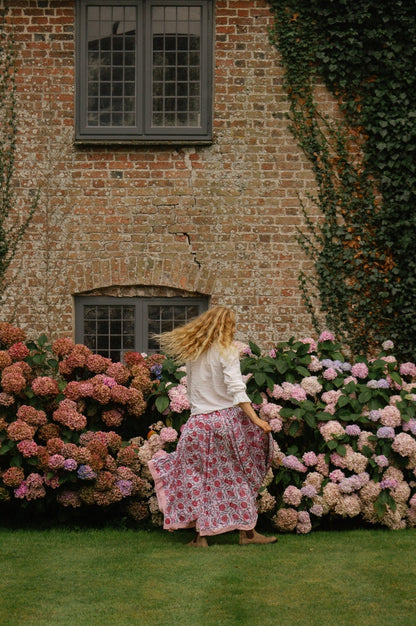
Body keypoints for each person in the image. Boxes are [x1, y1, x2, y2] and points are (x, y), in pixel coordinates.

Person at [148, 306, 277, 547]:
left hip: (197, 424)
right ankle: (247, 533)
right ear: (224, 327)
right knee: (238, 476)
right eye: (232, 325)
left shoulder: (193, 352)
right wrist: (257, 420)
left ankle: (202, 537)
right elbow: (236, 389)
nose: (235, 329)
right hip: (223, 423)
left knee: (200, 480)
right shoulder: (226, 350)